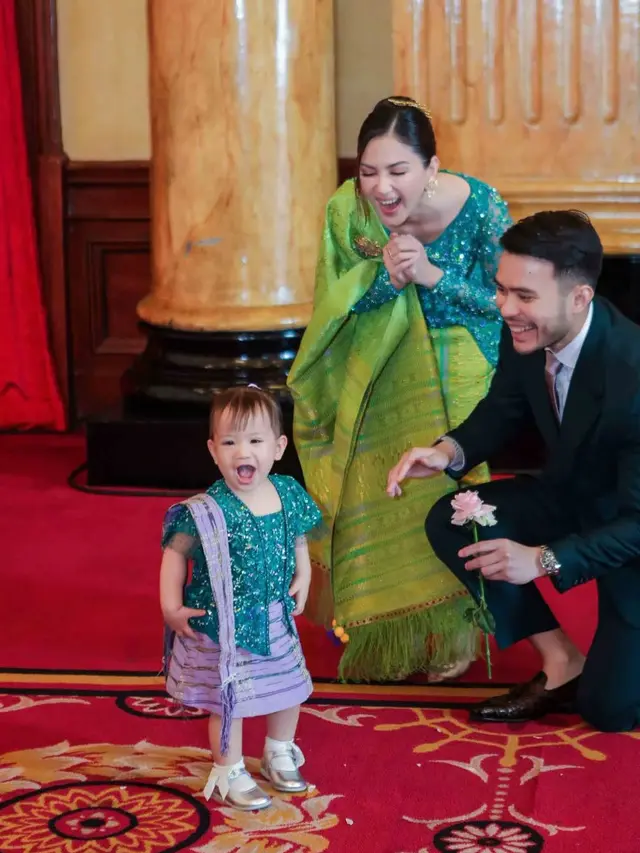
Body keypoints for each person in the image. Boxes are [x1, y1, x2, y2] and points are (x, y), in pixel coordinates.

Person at [387, 209, 640, 732]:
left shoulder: (633, 371)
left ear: (579, 297)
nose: (505, 308)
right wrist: (448, 451)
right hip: (573, 495)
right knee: (455, 520)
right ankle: (561, 661)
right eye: (502, 291)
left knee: (609, 711)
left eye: (524, 296)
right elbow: (504, 407)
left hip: (631, 531)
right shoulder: (528, 331)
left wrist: (543, 559)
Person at [287, 95, 511, 683]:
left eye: (398, 171)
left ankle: (456, 629)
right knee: (376, 485)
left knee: (447, 490)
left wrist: (434, 275)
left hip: (463, 352)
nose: (381, 189)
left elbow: (507, 305)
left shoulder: (482, 206)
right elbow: (335, 305)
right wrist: (385, 279)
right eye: (367, 172)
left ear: (433, 168)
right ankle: (385, 624)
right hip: (379, 357)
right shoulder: (347, 214)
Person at [160, 386, 322, 810]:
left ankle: (278, 749)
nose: (241, 451)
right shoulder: (207, 509)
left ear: (278, 447)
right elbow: (175, 554)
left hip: (275, 615)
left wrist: (303, 571)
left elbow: (297, 535)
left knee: (289, 688)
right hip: (225, 624)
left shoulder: (287, 492)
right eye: (229, 442)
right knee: (229, 698)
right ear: (213, 450)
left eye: (254, 440)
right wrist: (170, 606)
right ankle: (229, 767)